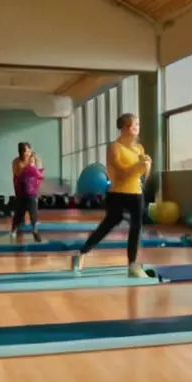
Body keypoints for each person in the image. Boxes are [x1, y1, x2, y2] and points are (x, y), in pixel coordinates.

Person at [71, 113, 150, 277]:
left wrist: (147, 165)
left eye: (138, 124)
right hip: (117, 193)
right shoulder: (114, 147)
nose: (137, 128)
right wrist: (140, 165)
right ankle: (81, 254)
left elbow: (143, 176)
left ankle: (132, 265)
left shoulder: (139, 148)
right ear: (124, 127)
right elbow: (120, 172)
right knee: (108, 224)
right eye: (134, 124)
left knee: (136, 228)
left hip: (136, 192)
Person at [11, 142, 43, 242]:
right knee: (19, 212)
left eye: (29, 150)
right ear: (21, 152)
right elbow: (17, 174)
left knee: (33, 210)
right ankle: (14, 230)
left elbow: (40, 173)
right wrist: (27, 167)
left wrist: (33, 165)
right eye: (26, 151)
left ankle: (35, 229)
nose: (28, 153)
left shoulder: (35, 158)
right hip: (21, 189)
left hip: (32, 190)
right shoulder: (16, 161)